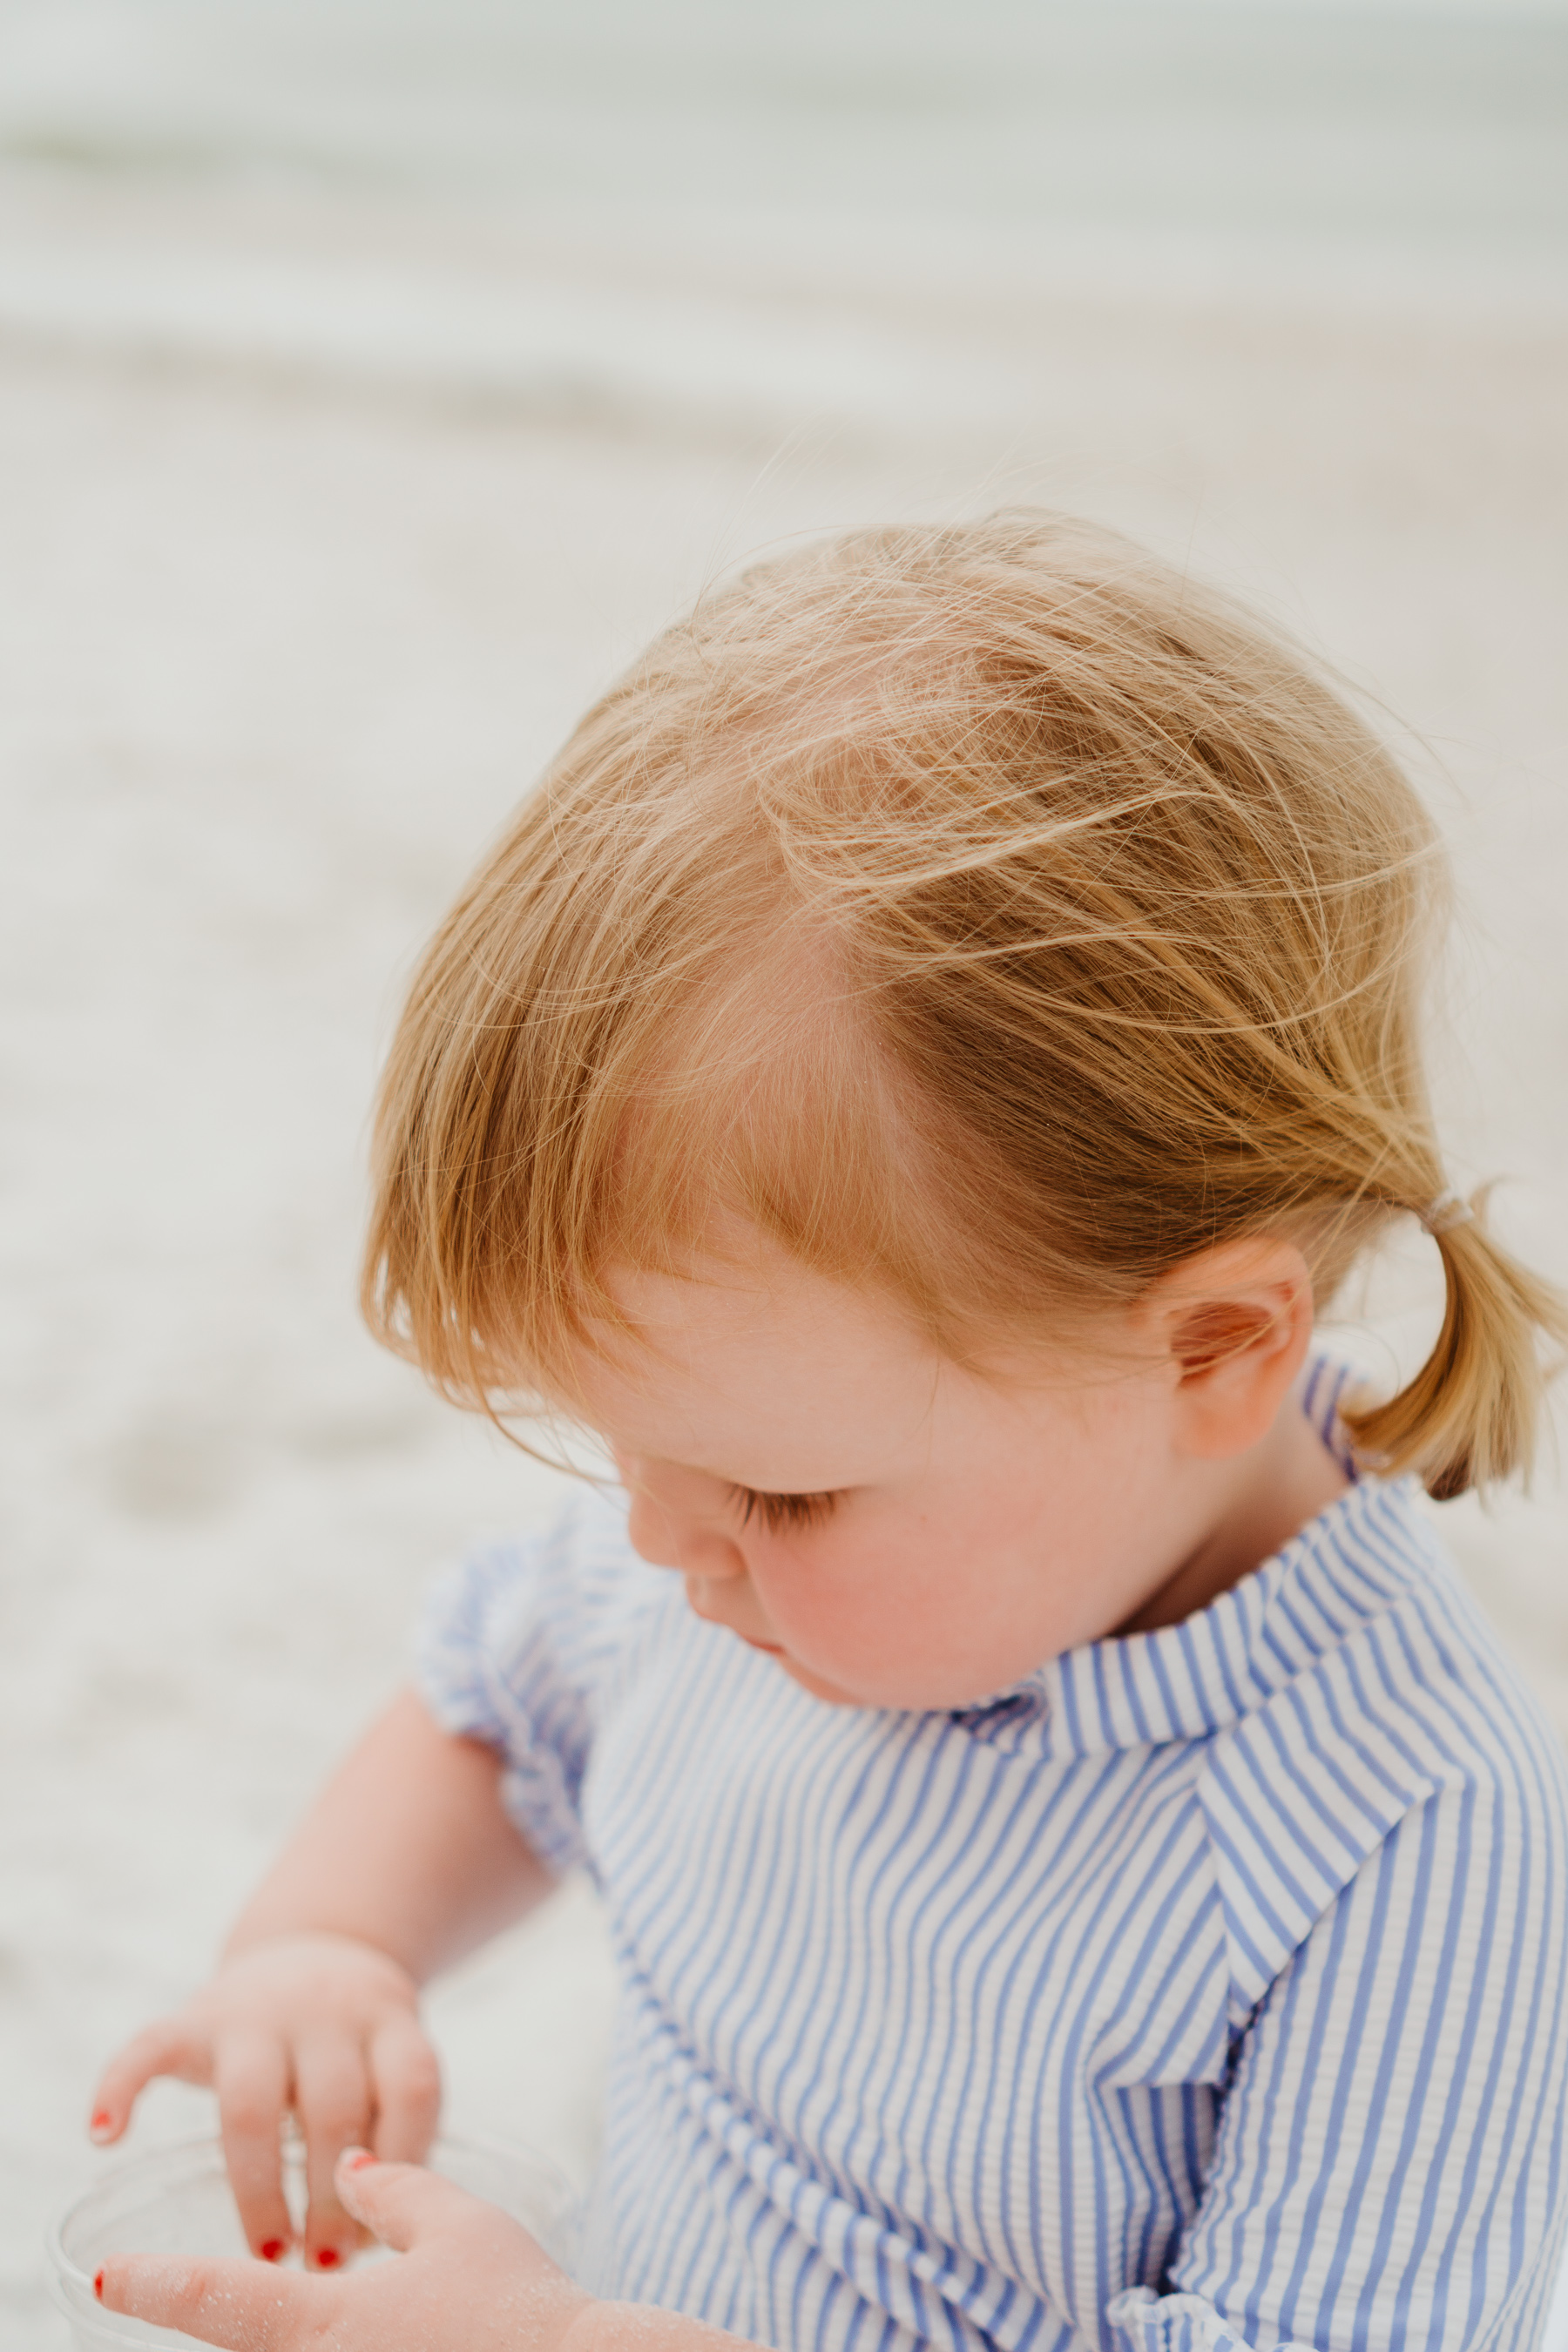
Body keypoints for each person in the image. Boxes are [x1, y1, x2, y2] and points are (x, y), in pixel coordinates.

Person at [89, 515, 1568, 2352]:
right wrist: (325, 1946)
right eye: (622, 1448)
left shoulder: (1403, 1847)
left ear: (1211, 1348)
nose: (662, 1549)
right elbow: (499, 1688)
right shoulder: (758, 1566)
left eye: (777, 1490)